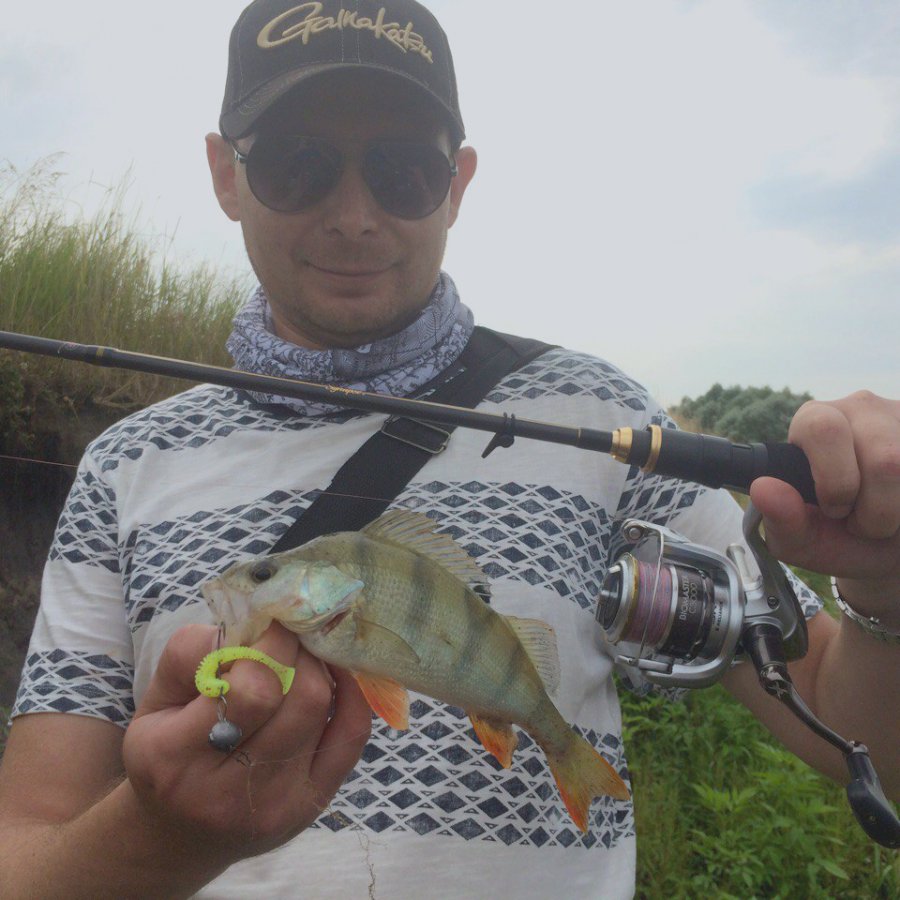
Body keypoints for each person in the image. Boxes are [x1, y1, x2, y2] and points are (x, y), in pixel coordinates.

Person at [0, 1, 897, 897]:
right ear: (224, 175)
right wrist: (156, 837)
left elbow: (845, 718)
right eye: (296, 164)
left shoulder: (602, 416)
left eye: (404, 171)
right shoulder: (123, 466)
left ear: (458, 184)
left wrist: (886, 586)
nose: (354, 216)